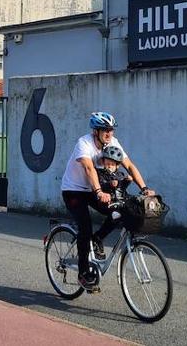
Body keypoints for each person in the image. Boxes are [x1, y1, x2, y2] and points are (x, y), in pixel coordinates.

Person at [59, 111, 154, 291]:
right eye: (105, 130)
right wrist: (99, 191)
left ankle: (98, 238)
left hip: (96, 190)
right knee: (85, 227)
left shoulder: (113, 143)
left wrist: (144, 188)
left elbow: (130, 165)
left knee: (119, 213)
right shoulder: (84, 143)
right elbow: (88, 168)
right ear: (96, 131)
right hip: (74, 190)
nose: (109, 133)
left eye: (111, 130)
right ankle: (83, 273)